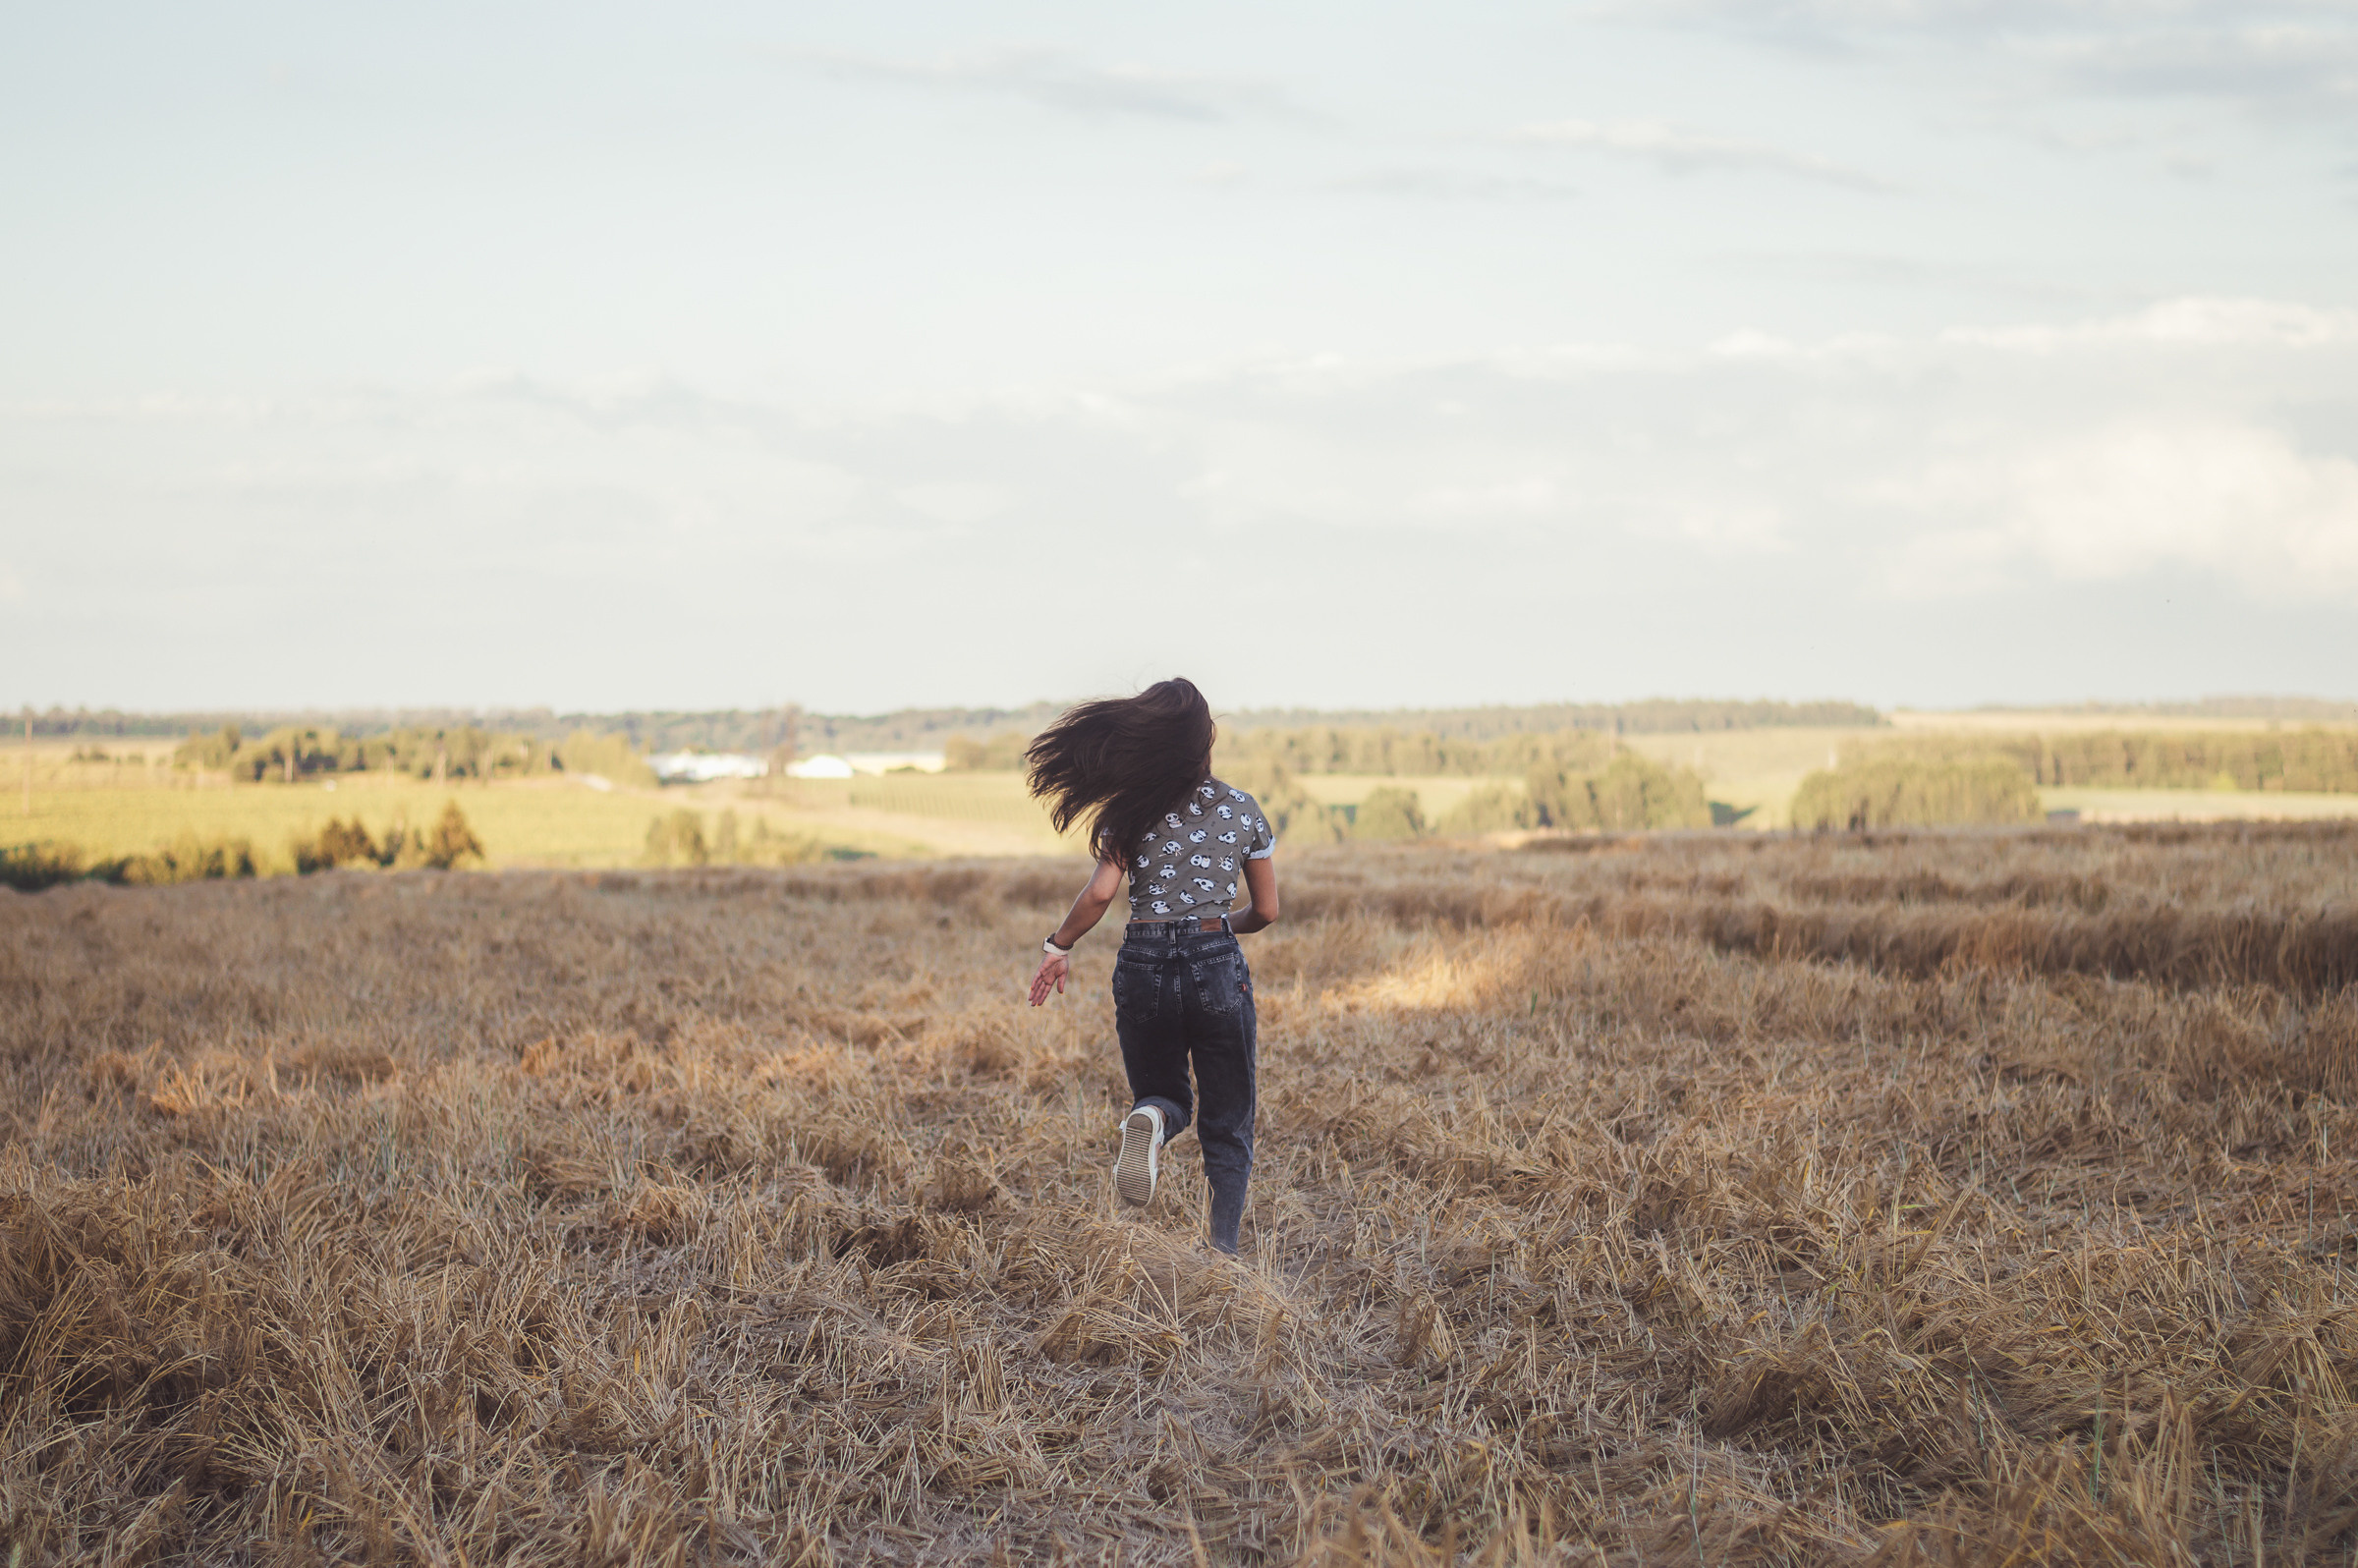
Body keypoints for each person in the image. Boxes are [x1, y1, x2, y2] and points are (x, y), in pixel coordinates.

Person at [1024, 678, 1280, 1256]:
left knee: (1164, 1093)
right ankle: (1222, 1254)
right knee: (1227, 1122)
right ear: (1204, 743)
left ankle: (1153, 1121)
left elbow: (1097, 897)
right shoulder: (1242, 810)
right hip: (1214, 959)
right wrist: (1218, 924)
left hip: (1142, 959)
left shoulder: (1129, 811)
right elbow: (1267, 910)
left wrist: (1057, 947)